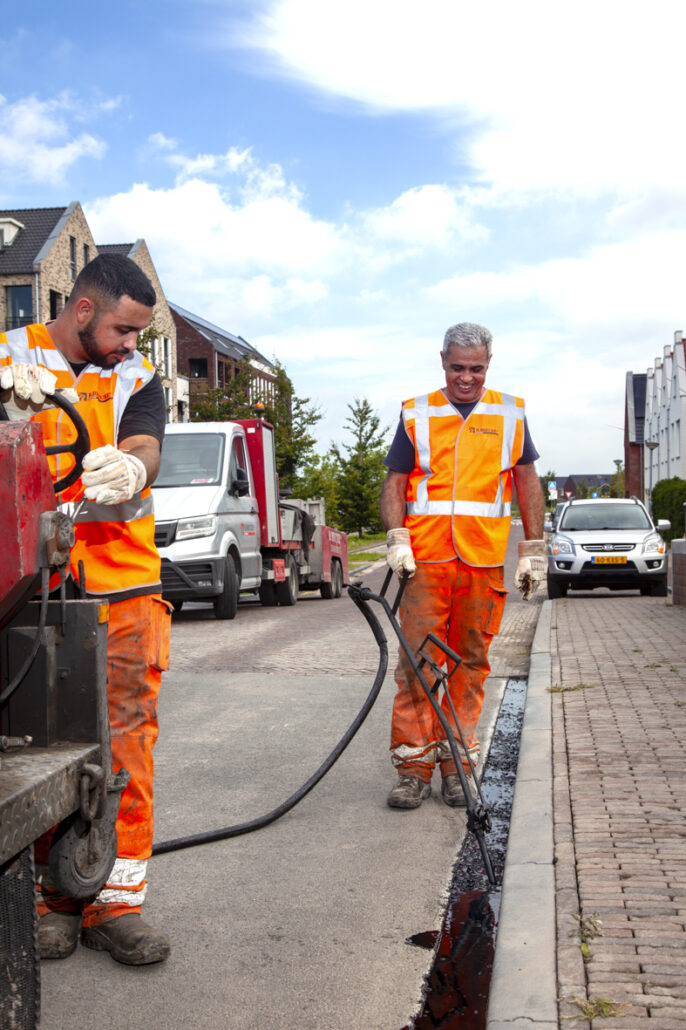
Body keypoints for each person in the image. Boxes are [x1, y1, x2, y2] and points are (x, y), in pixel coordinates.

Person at [0, 254, 172, 965]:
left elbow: (145, 444)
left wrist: (134, 465)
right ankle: (52, 899)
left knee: (126, 745)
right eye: (124, 330)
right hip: (33, 590)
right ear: (82, 311)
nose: (133, 344)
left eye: (140, 333)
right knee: (42, 753)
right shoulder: (10, 357)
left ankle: (115, 901)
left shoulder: (137, 377)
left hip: (124, 586)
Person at [380, 322, 546, 810]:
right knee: (418, 666)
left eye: (476, 368)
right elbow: (394, 482)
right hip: (426, 561)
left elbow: (526, 480)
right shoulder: (417, 413)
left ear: (488, 364)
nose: (466, 378)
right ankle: (413, 767)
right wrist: (396, 538)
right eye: (457, 368)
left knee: (470, 665)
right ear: (442, 361)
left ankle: (457, 765)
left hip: (481, 560)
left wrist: (533, 548)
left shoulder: (510, 413)